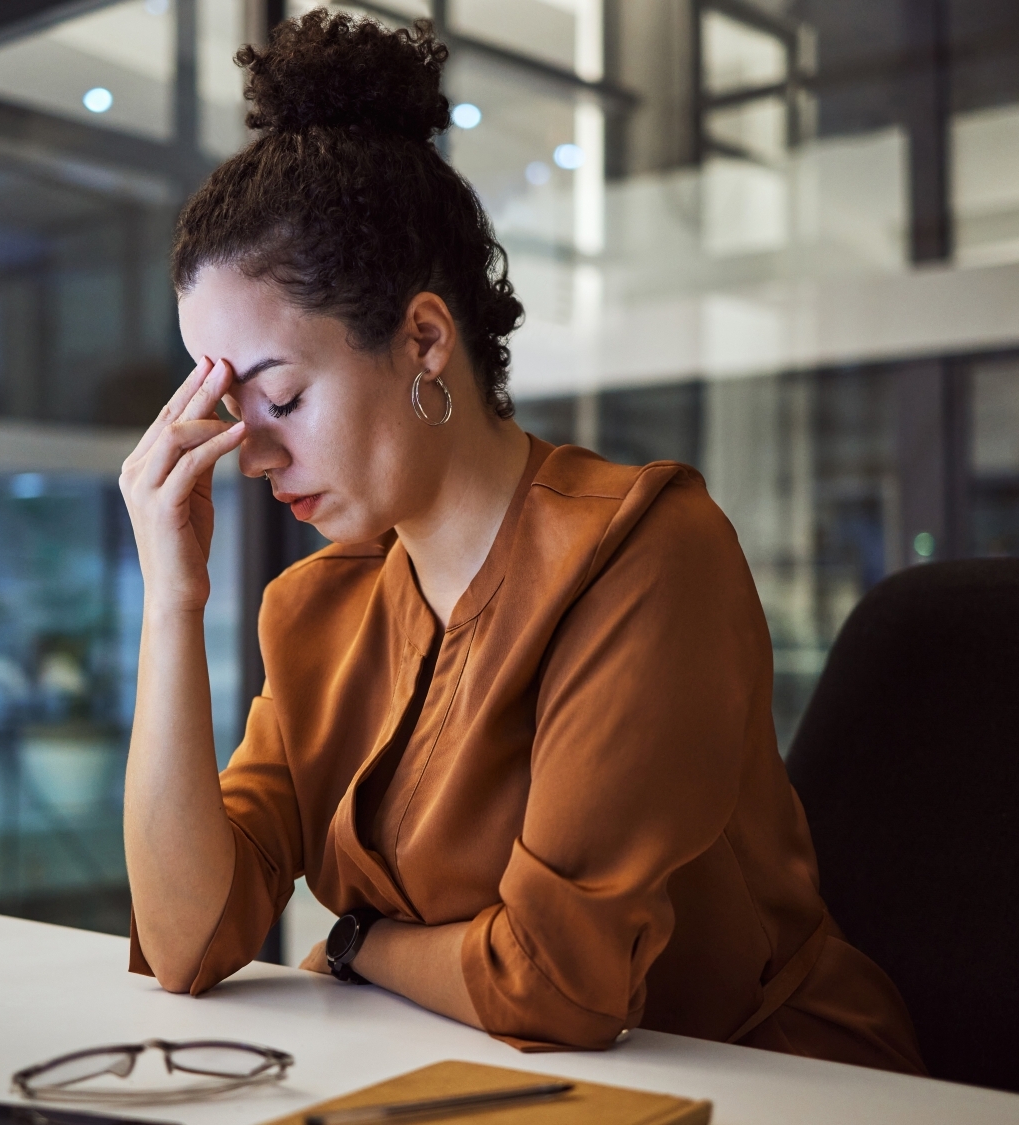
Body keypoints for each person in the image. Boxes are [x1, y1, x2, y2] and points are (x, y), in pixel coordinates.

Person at [118, 9, 924, 1074]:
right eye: (228, 410)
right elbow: (184, 945)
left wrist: (360, 941)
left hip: (767, 1083)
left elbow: (558, 984)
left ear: (423, 339)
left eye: (281, 397)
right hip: (488, 1078)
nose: (252, 453)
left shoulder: (643, 551)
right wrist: (172, 606)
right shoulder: (316, 610)